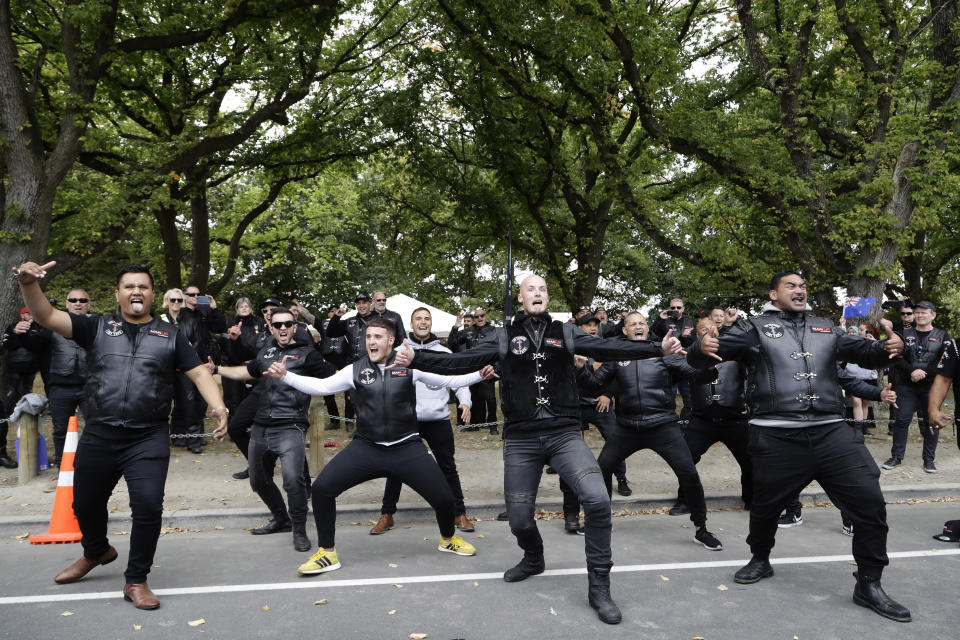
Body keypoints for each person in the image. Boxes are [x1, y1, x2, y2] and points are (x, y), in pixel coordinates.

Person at [391, 274, 683, 625]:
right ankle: (533, 557)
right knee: (517, 518)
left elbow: (610, 348)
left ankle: (599, 586)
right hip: (521, 438)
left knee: (596, 498)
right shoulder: (502, 336)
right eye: (531, 289)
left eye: (543, 289)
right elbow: (460, 362)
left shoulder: (568, 332)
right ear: (520, 297)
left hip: (564, 432)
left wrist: (656, 348)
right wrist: (416, 360)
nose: (538, 293)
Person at [687, 270, 911, 623]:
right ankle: (760, 557)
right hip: (776, 435)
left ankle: (869, 583)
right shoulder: (753, 328)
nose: (800, 290)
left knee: (869, 502)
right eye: (790, 285)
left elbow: (870, 354)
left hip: (831, 432)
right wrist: (700, 348)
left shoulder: (826, 327)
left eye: (803, 285)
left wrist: (890, 348)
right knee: (765, 506)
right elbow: (703, 357)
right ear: (773, 294)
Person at [13, 260, 228, 610]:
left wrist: (220, 408)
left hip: (148, 437)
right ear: (118, 294)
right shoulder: (95, 327)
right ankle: (96, 551)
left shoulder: (171, 335)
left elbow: (201, 375)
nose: (136, 291)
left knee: (147, 507)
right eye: (129, 286)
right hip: (100, 433)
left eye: (143, 286)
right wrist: (28, 285)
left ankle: (136, 580)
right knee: (83, 503)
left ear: (153, 294)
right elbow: (47, 316)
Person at [265, 317, 482, 575]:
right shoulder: (355, 370)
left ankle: (448, 539)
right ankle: (327, 553)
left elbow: (449, 379)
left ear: (390, 341)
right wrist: (286, 376)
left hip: (406, 447)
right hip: (367, 448)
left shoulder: (408, 366)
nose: (371, 342)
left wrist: (481, 374)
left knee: (445, 498)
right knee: (322, 489)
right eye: (368, 337)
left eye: (377, 337)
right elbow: (322, 387)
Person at [583, 312, 723, 552]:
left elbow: (697, 376)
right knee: (602, 469)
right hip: (627, 428)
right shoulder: (617, 356)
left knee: (689, 474)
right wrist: (578, 368)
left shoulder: (664, 352)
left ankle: (701, 529)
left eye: (642, 323)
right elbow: (593, 384)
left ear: (647, 328)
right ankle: (602, 519)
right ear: (625, 331)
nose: (638, 326)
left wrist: (707, 364)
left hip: (662, 426)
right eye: (632, 324)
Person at [216, 307, 335, 552]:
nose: (282, 328)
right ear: (271, 327)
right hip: (260, 426)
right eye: (277, 324)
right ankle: (282, 519)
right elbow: (245, 372)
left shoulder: (307, 355)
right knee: (258, 481)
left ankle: (299, 530)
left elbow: (333, 378)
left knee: (293, 481)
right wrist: (216, 369)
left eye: (287, 324)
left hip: (290, 425)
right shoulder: (266, 352)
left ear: (294, 327)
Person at [370, 307, 477, 535]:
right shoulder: (396, 352)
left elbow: (459, 381)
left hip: (438, 420)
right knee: (395, 470)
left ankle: (460, 513)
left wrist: (465, 402)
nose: (423, 322)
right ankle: (387, 515)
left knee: (448, 468)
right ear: (411, 323)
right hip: (406, 423)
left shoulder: (444, 352)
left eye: (427, 319)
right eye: (418, 318)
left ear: (430, 323)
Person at [670, 313, 752, 516]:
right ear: (697, 336)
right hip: (702, 419)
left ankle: (752, 499)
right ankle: (684, 501)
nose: (707, 333)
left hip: (734, 418)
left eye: (710, 328)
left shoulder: (737, 353)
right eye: (702, 331)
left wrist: (750, 405)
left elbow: (756, 377)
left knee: (751, 461)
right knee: (686, 461)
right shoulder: (688, 355)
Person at [20, 290, 91, 478]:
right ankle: (62, 471)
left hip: (89, 386)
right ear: (67, 303)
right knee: (60, 431)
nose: (78, 303)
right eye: (73, 300)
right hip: (60, 387)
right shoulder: (51, 325)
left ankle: (93, 470)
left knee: (95, 428)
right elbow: (33, 344)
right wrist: (23, 331)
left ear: (88, 304)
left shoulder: (96, 324)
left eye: (82, 300)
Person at [883, 301, 949, 473]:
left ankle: (929, 459)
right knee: (902, 420)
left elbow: (944, 360)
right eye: (917, 312)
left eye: (924, 312)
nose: (920, 315)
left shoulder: (942, 335)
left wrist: (925, 372)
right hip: (906, 384)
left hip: (931, 387)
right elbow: (896, 357)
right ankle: (896, 457)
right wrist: (912, 370)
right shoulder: (903, 333)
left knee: (931, 422)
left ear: (933, 315)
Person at [574, 313, 630, 497]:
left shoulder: (604, 347)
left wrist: (607, 394)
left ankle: (621, 478)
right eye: (587, 324)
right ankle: (572, 481)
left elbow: (617, 373)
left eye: (595, 325)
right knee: (570, 444)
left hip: (601, 404)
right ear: (579, 328)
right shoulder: (572, 346)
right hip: (577, 405)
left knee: (615, 442)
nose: (592, 328)